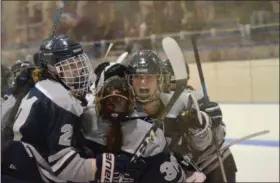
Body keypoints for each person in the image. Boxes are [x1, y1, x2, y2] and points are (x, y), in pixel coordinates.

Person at [1, 35, 137, 183]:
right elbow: (64, 167)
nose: (78, 71)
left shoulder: (43, 87)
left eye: (78, 64)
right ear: (52, 68)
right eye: (70, 66)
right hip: (23, 175)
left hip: (15, 166)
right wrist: (103, 166)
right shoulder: (60, 98)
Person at [126, 50, 237, 183]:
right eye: (138, 77)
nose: (143, 83)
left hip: (212, 166)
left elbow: (212, 138)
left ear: (159, 79)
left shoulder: (187, 101)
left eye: (149, 76)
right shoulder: (129, 112)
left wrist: (204, 123)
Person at [81, 75, 200, 183]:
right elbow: (68, 167)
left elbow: (173, 178)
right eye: (110, 102)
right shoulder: (84, 120)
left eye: (119, 102)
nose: (115, 108)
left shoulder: (147, 133)